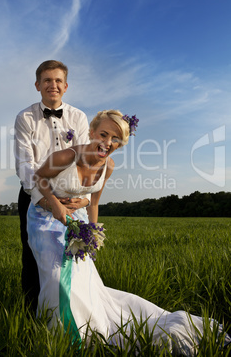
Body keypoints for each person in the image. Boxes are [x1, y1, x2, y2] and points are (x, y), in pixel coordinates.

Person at [27, 109, 230, 355]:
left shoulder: (108, 166)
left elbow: (93, 201)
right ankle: (60, 335)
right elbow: (38, 178)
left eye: (115, 139)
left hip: (77, 220)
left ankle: (87, 327)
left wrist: (92, 232)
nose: (107, 143)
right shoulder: (67, 156)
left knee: (83, 280)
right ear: (91, 132)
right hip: (45, 218)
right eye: (103, 134)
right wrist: (56, 204)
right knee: (57, 277)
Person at [14, 60, 90, 312]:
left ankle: (77, 313)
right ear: (37, 85)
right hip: (35, 197)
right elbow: (26, 165)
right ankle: (32, 315)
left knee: (75, 257)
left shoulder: (78, 117)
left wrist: (85, 198)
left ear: (66, 86)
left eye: (58, 80)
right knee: (34, 258)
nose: (53, 85)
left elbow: (87, 163)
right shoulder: (25, 117)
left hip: (71, 198)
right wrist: (48, 200)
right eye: (47, 80)